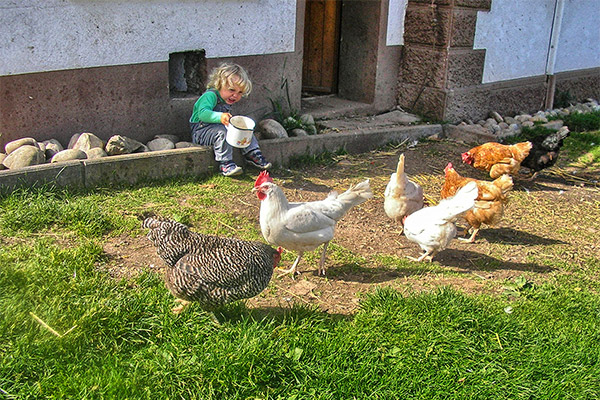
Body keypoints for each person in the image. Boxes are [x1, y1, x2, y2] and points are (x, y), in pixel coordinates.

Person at [189, 63, 272, 176]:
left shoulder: (225, 99)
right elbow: (202, 114)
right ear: (219, 84)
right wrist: (220, 117)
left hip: (217, 128)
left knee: (245, 129)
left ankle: (253, 153)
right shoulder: (210, 96)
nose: (235, 95)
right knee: (223, 132)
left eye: (240, 93)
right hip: (201, 132)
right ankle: (225, 163)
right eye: (231, 90)